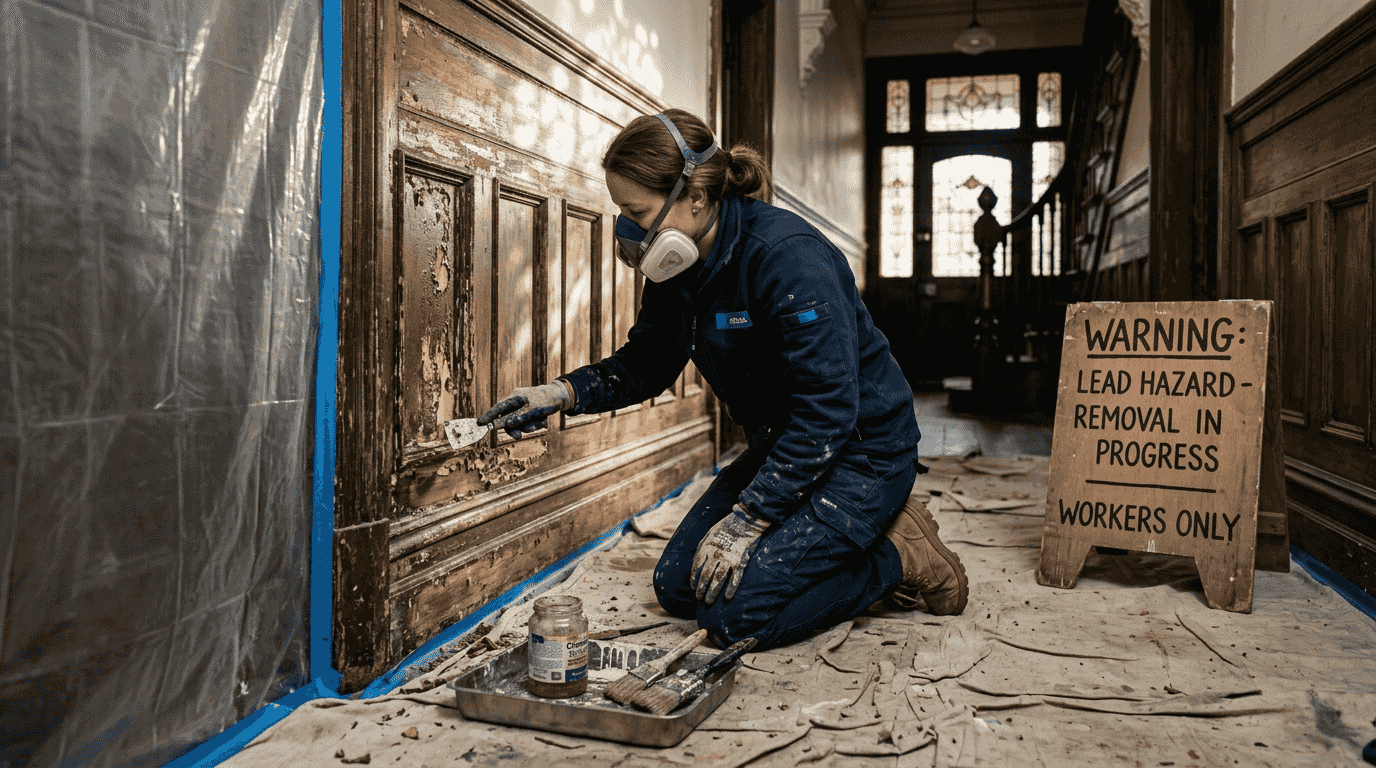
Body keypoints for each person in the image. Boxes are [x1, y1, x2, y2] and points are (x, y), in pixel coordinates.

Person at [477, 109, 968, 650]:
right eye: (622, 212)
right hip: (783, 447)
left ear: (695, 196)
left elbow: (828, 410)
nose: (629, 231)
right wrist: (561, 393)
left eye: (637, 213)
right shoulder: (675, 267)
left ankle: (897, 555)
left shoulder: (787, 258)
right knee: (678, 587)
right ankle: (844, 542)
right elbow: (647, 364)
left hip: (859, 453)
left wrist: (749, 519)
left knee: (732, 618)